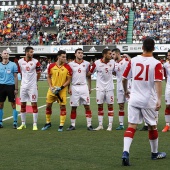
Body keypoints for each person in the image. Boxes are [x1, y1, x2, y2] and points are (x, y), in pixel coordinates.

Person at [121, 38, 166, 166]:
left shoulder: (133, 60)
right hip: (148, 100)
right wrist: (158, 99)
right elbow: (158, 82)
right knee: (152, 126)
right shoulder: (157, 63)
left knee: (131, 126)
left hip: (134, 98)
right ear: (154, 48)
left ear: (142, 47)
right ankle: (154, 153)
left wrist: (126, 91)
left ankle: (125, 152)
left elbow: (124, 79)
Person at [41, 50, 72, 132]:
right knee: (48, 105)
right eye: (63, 57)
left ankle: (61, 125)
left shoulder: (67, 67)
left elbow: (69, 80)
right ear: (58, 57)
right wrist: (51, 87)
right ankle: (48, 123)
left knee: (62, 107)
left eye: (65, 57)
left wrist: (61, 88)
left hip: (61, 90)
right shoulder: (51, 66)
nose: (65, 58)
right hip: (52, 90)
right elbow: (48, 77)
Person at [67, 48, 94, 131]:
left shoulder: (86, 64)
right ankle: (72, 125)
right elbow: (68, 77)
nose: (81, 54)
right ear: (75, 54)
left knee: (87, 106)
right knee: (73, 107)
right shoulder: (70, 64)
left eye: (82, 53)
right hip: (74, 87)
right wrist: (69, 88)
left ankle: (89, 125)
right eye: (79, 53)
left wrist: (89, 87)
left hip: (84, 87)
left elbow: (88, 76)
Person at [88, 49, 115, 131]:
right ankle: (100, 125)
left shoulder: (113, 62)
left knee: (110, 105)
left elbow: (115, 72)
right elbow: (89, 73)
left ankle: (110, 125)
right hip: (100, 88)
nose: (111, 55)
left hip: (110, 87)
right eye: (109, 54)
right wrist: (89, 86)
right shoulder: (97, 63)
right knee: (100, 105)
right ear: (104, 55)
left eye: (111, 54)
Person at [17, 47, 41, 130]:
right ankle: (23, 123)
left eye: (32, 52)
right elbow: (21, 72)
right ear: (26, 52)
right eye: (31, 52)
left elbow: (39, 73)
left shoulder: (36, 62)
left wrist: (35, 82)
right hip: (23, 86)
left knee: (34, 104)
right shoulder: (20, 62)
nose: (32, 53)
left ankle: (35, 124)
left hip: (32, 86)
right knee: (22, 104)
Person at [112, 48, 130, 130]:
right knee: (121, 105)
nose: (112, 56)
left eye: (113, 54)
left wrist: (128, 56)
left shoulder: (126, 60)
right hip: (119, 86)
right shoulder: (114, 63)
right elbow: (115, 73)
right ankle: (121, 124)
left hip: (128, 85)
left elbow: (133, 63)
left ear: (118, 53)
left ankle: (131, 123)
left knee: (131, 105)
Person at [0, 50, 18, 128]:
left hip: (11, 86)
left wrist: (16, 88)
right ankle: (0, 122)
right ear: (1, 55)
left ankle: (15, 122)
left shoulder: (13, 64)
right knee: (0, 104)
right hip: (1, 86)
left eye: (7, 53)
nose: (6, 54)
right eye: (5, 53)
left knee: (14, 104)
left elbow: (15, 76)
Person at [162, 49, 170, 132]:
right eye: (168, 55)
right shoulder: (165, 65)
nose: (168, 56)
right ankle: (167, 125)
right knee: (168, 105)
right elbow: (165, 76)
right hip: (168, 87)